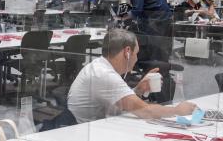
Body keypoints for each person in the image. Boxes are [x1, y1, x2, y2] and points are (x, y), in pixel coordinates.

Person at [67, 28, 195, 124]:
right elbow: (145, 111)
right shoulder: (104, 75)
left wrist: (138, 90)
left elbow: (119, 102)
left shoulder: (100, 66)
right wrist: (177, 111)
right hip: (84, 133)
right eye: (136, 53)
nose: (136, 58)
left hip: (91, 126)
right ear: (127, 52)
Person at [108, 0, 172, 61]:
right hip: (158, 16)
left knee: (156, 47)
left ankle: (157, 67)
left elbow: (137, 9)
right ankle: (158, 66)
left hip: (158, 18)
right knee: (157, 46)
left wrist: (121, 18)